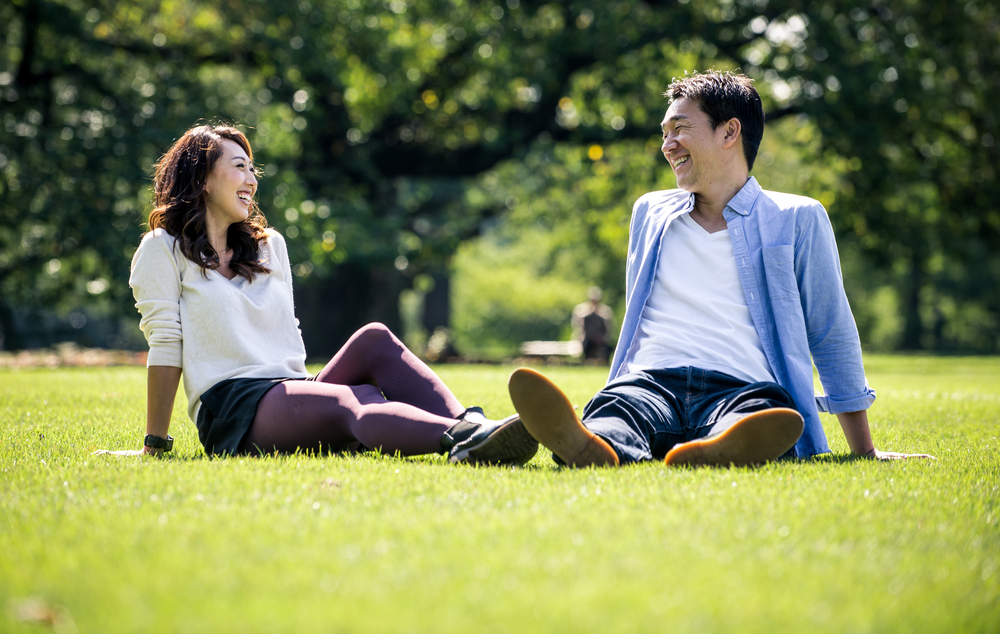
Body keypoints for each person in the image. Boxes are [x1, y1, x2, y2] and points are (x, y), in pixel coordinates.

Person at [508, 70, 933, 468]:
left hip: (742, 387)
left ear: (730, 131)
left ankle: (718, 447)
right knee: (622, 409)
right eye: (664, 133)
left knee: (761, 414)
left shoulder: (796, 217)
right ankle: (596, 442)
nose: (667, 144)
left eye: (680, 129)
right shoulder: (650, 213)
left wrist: (865, 450)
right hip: (652, 381)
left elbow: (830, 330)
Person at [97, 123, 537, 464]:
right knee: (353, 400)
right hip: (235, 408)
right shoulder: (163, 249)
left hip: (292, 389)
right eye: (238, 166)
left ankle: (474, 424)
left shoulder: (270, 245)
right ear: (203, 179)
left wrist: (306, 390)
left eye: (253, 168)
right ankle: (462, 441)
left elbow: (287, 336)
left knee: (375, 337)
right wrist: (154, 444)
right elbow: (166, 345)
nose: (251, 178)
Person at [571, 287, 615, 364]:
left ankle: (606, 363)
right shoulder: (582, 310)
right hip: (587, 338)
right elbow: (580, 327)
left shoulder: (605, 311)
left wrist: (600, 337)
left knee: (609, 347)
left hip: (601, 339)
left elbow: (608, 327)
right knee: (586, 345)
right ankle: (585, 361)